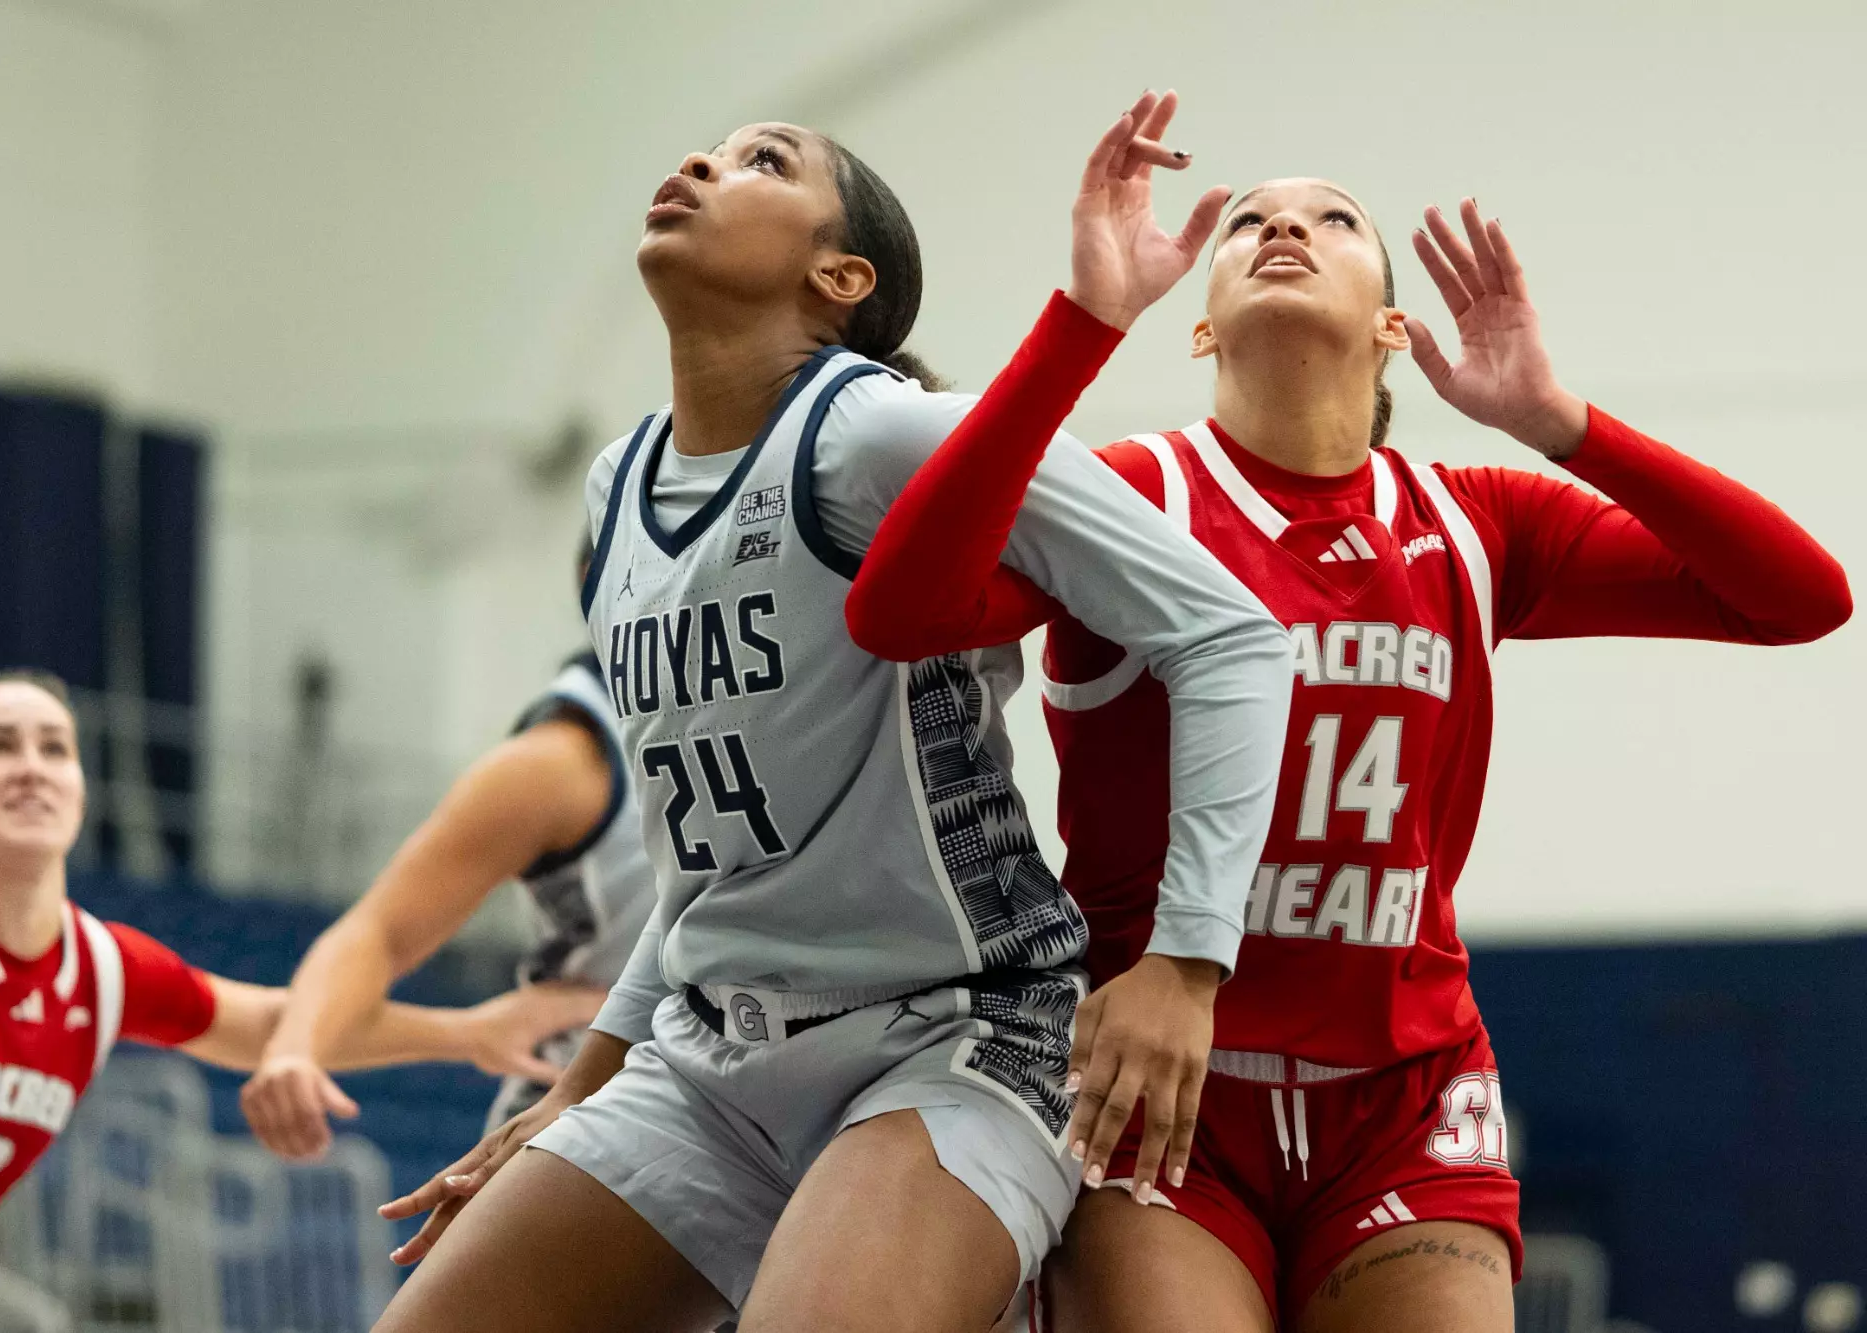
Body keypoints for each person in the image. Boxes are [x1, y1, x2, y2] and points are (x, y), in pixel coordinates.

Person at [843, 92, 1852, 1332]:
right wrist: (1084, 324)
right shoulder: (1128, 494)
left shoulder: (1472, 518)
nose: (1283, 226)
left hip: (1402, 1096)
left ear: (1391, 322)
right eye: (1247, 220)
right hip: (1163, 1085)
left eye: (1331, 218)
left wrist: (1557, 425)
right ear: (1201, 327)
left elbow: (1797, 597)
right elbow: (902, 610)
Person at [368, 114, 1294, 1333]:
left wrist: (1185, 958)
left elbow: (1230, 632)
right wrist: (581, 1088)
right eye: (706, 150)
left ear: (839, 278)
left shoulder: (883, 429)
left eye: (762, 162)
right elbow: (701, 859)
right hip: (708, 1060)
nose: (699, 163)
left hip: (952, 1036)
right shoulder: (613, 487)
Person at [0, 672, 582, 1333]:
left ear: (81, 788)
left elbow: (275, 1025)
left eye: (55, 748)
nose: (31, 764)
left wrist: (468, 1030)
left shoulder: (97, 967)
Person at [241, 540, 658, 1161]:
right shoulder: (558, 763)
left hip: (743, 1097)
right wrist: (294, 1051)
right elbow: (376, 932)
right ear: (597, 583)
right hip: (583, 1112)